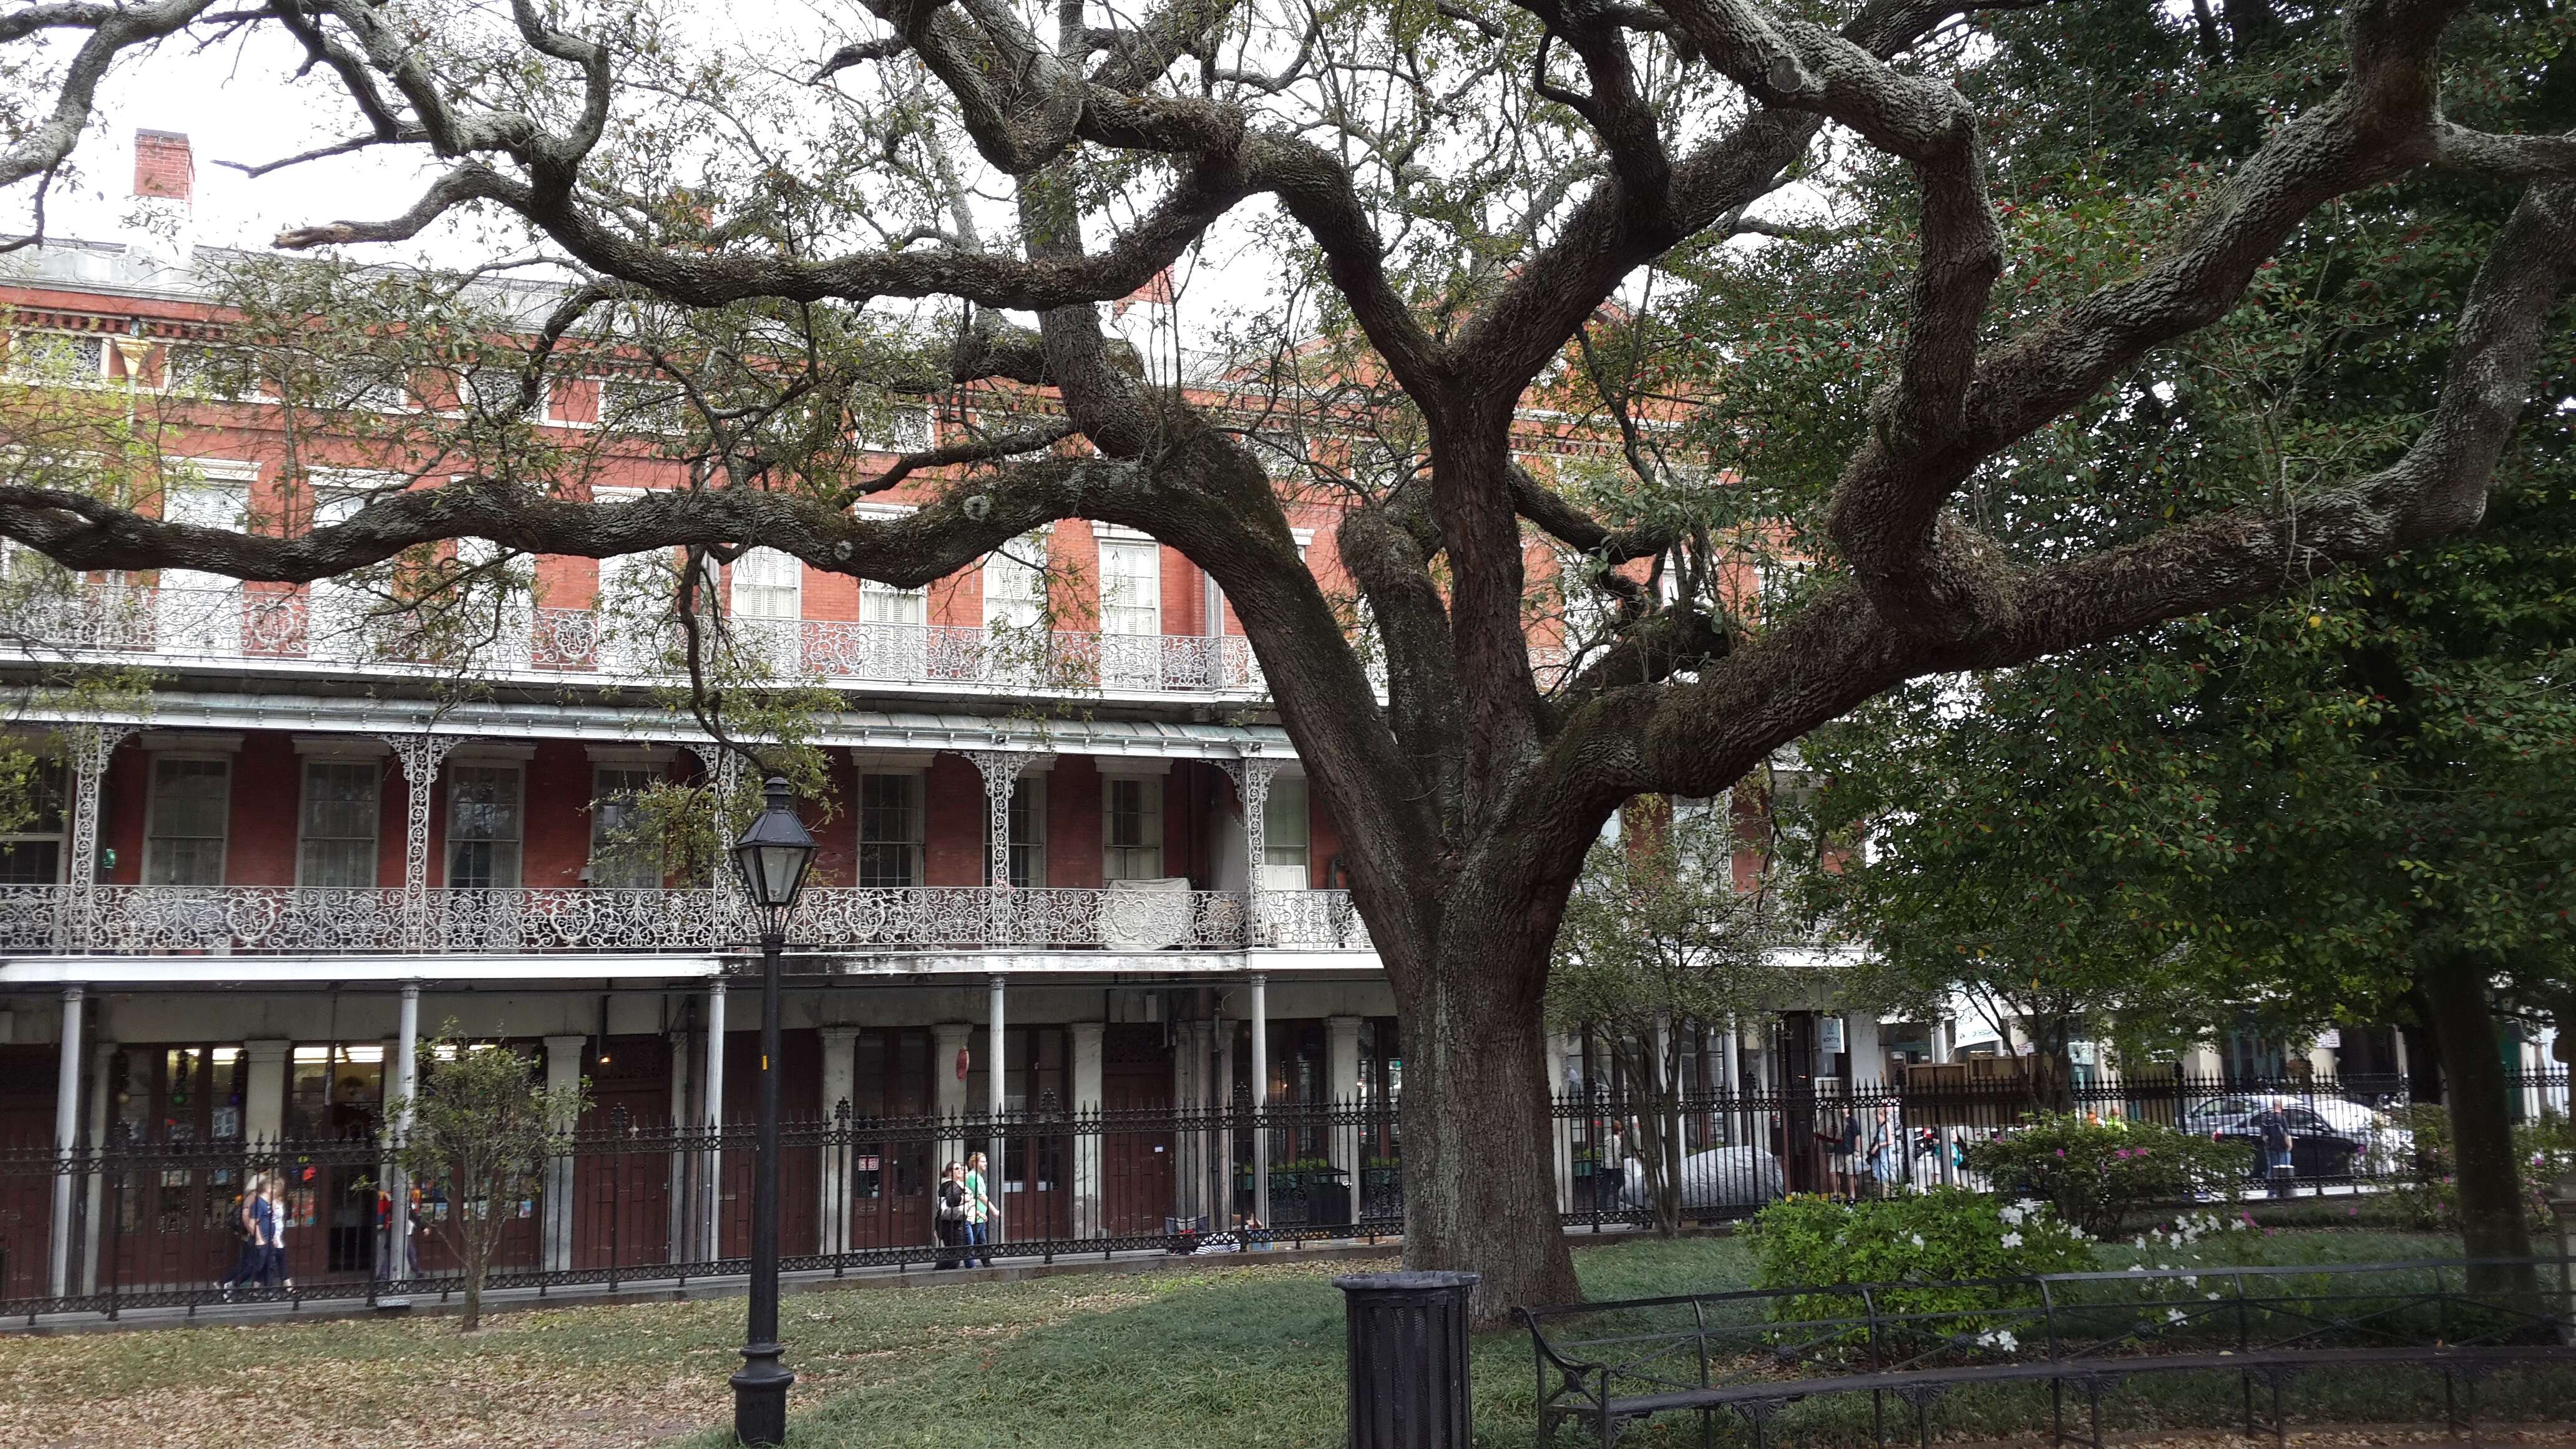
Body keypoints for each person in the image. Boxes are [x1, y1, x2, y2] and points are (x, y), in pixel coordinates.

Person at [218, 1172, 269, 1298]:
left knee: (248, 1262)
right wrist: (254, 1233)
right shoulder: (253, 1198)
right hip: (251, 1235)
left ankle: (227, 1282)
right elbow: (246, 1217)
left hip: (252, 1235)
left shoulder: (254, 1197)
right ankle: (230, 1282)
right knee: (252, 1263)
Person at [2251, 1098, 2297, 1198]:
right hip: (2282, 1148)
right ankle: (2284, 1192)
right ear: (2281, 1106)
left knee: (2271, 1170)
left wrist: (2269, 1145)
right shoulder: (2281, 1118)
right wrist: (2289, 1145)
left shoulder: (2265, 1119)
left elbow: (2264, 1137)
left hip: (2270, 1149)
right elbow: (2286, 1134)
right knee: (2284, 1169)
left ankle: (2271, 1193)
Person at [932, 1161, 969, 1269]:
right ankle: (937, 1270)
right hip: (951, 1224)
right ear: (949, 1172)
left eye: (961, 1169)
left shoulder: (950, 1185)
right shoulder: (951, 1184)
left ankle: (951, 1275)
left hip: (950, 1223)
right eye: (957, 1169)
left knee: (954, 1251)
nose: (960, 1171)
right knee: (956, 1252)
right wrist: (965, 1199)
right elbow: (951, 1200)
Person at [964, 1151, 995, 1267]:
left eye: (986, 1161)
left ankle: (986, 1263)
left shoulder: (978, 1176)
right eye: (983, 1161)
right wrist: (993, 1210)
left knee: (981, 1241)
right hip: (975, 1215)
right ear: (975, 1163)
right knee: (970, 1243)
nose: (986, 1163)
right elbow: (980, 1196)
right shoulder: (973, 1177)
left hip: (980, 1215)